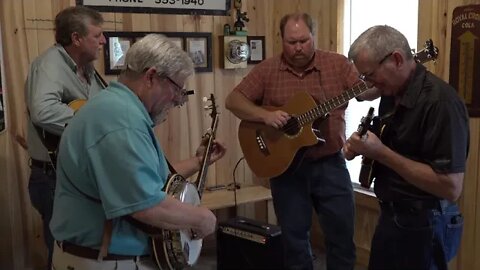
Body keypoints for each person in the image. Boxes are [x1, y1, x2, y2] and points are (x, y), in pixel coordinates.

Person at [49, 33, 226, 270]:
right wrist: (203, 218)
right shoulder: (120, 121)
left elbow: (141, 181)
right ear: (151, 76)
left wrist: (198, 161)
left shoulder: (116, 109)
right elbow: (145, 205)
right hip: (104, 261)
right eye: (177, 89)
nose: (177, 100)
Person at [225, 12, 359, 270]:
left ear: (313, 37)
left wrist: (378, 80)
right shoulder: (267, 69)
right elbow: (234, 101)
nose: (298, 47)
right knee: (294, 241)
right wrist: (265, 115)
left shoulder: (338, 65)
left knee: (341, 238)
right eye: (291, 42)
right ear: (281, 39)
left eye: (303, 41)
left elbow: (368, 89)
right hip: (285, 169)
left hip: (330, 163)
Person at [343, 25, 469, 270]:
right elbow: (399, 147)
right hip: (393, 216)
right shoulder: (391, 91)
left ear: (397, 59)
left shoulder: (441, 103)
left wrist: (381, 152)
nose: (367, 83)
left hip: (427, 223)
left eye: (369, 75)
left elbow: (451, 187)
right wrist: (364, 148)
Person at [24, 6, 107, 269]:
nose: (104, 41)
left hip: (80, 175)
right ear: (76, 38)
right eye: (98, 35)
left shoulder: (89, 70)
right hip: (53, 179)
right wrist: (89, 125)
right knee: (63, 251)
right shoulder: (50, 64)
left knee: (81, 251)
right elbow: (43, 110)